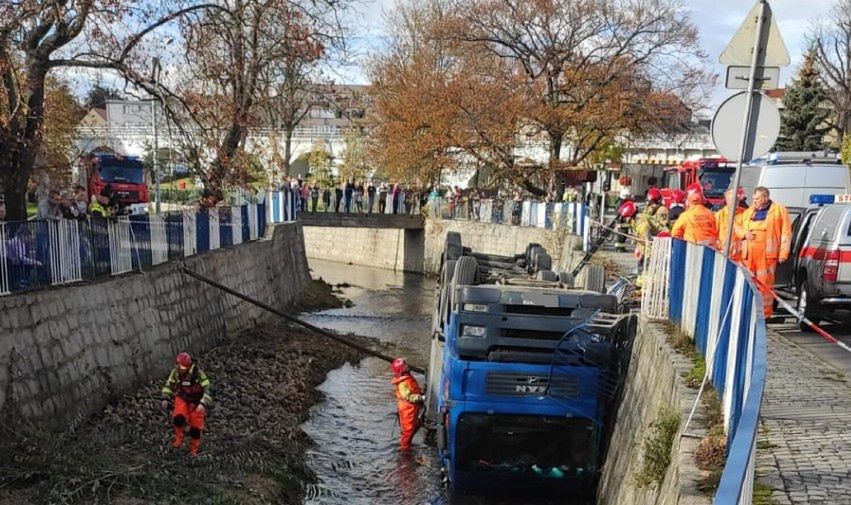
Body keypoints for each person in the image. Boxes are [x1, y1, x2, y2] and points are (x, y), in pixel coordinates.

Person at [737, 186, 792, 318]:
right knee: (749, 284)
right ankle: (749, 312)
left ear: (765, 198)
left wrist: (784, 253)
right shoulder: (748, 212)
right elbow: (736, 227)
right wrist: (744, 234)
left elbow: (786, 233)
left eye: (757, 199)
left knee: (765, 286)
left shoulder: (779, 211)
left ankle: (764, 315)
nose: (754, 201)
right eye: (753, 198)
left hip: (767, 256)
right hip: (748, 256)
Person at [161, 352, 212, 456]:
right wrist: (165, 397)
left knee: (195, 428)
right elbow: (169, 384)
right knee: (178, 419)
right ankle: (178, 439)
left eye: (183, 366)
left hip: (196, 401)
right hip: (182, 398)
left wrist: (203, 403)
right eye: (178, 365)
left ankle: (194, 449)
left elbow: (207, 388)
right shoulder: (175, 372)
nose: (180, 368)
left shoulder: (197, 373)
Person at [618, 200, 665, 272]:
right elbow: (639, 238)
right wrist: (638, 249)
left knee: (645, 271)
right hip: (647, 248)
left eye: (625, 218)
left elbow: (647, 241)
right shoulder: (634, 221)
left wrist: (648, 258)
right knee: (640, 269)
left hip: (659, 245)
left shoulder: (642, 224)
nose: (624, 220)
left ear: (629, 216)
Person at [390, 357, 424, 450]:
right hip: (407, 408)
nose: (407, 365)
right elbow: (408, 397)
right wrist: (421, 397)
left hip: (411, 407)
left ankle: (406, 446)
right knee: (408, 431)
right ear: (401, 370)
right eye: (404, 365)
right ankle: (405, 450)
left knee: (412, 427)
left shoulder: (407, 379)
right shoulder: (402, 384)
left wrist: (420, 394)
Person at [715, 188, 747, 261]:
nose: (736, 202)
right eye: (733, 200)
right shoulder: (719, 215)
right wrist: (722, 247)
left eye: (737, 200)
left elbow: (747, 234)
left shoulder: (745, 213)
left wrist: (738, 246)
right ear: (727, 200)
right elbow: (713, 236)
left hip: (740, 257)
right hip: (723, 255)